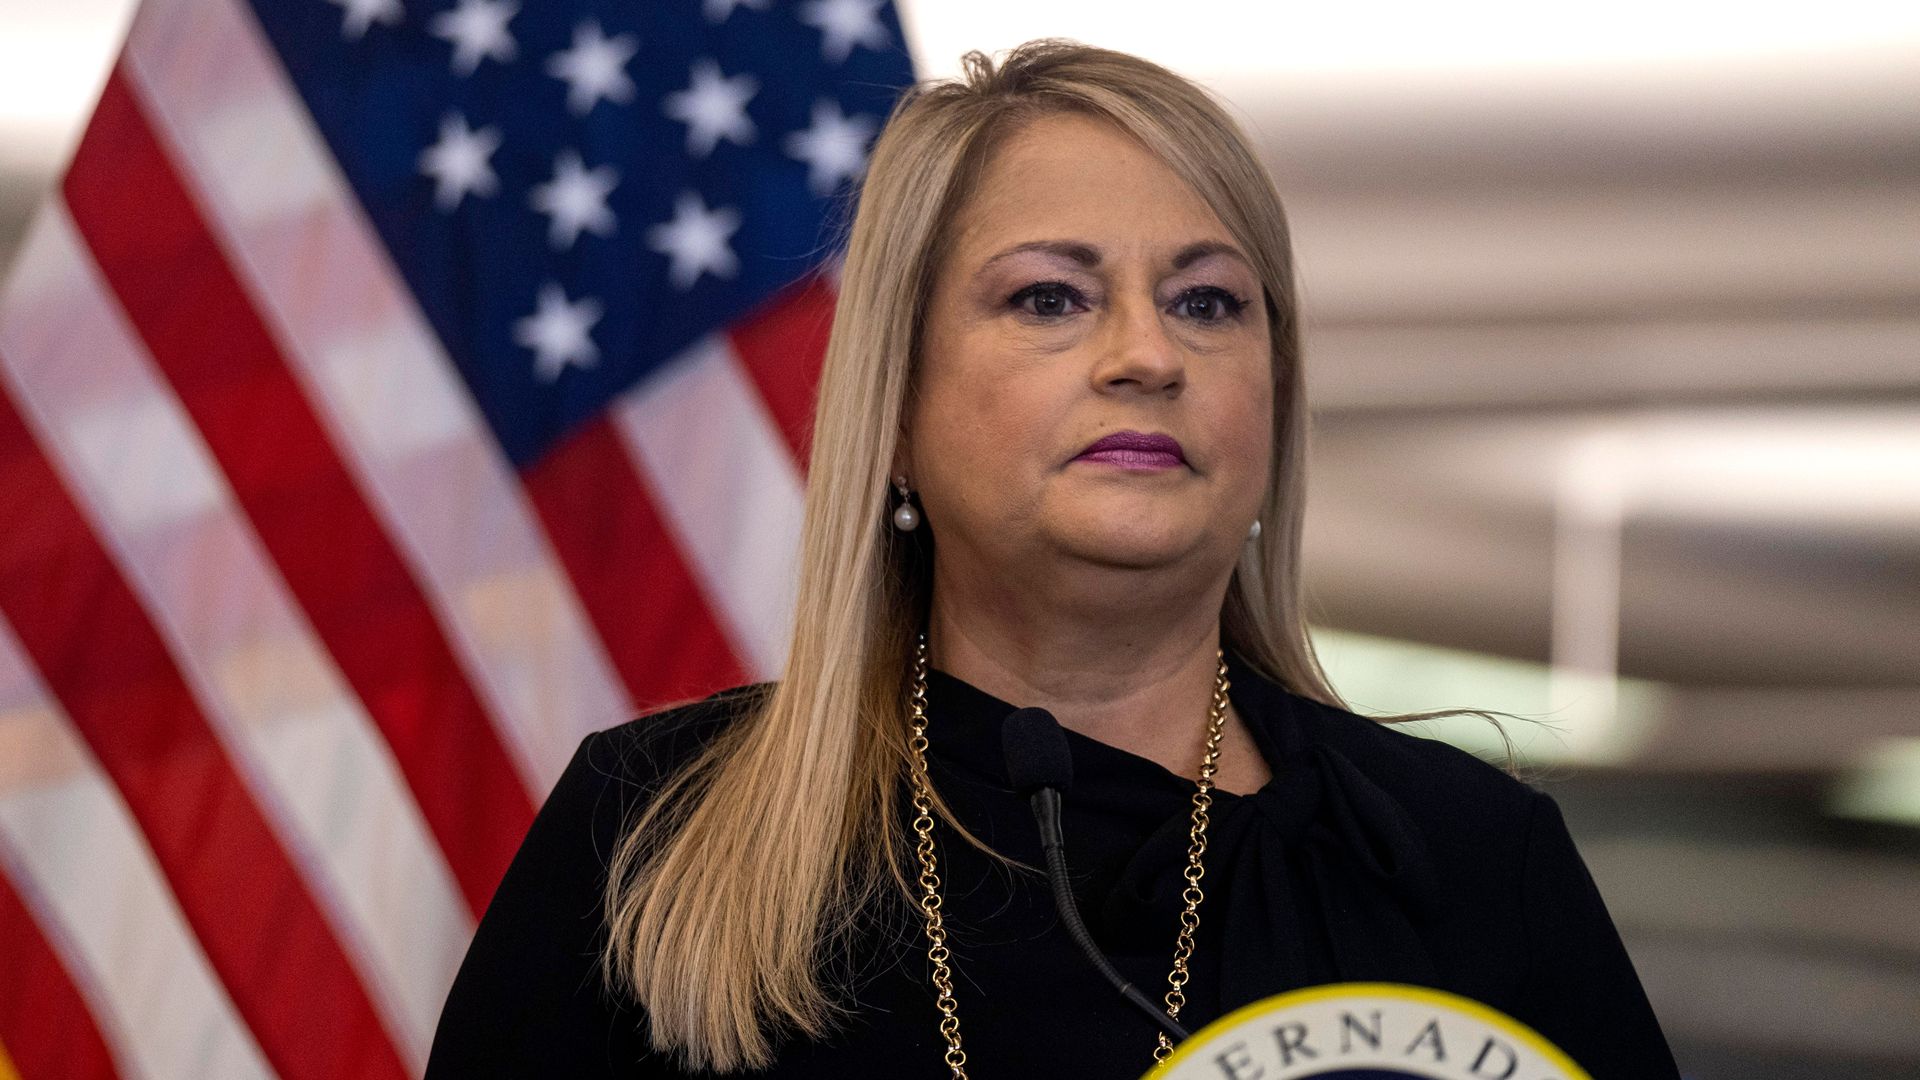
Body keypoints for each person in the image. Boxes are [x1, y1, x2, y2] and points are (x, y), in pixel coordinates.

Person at [425, 39, 1682, 1079]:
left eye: (1207, 301)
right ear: (897, 408)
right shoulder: (651, 836)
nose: (1148, 355)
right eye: (1049, 298)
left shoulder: (1465, 865)